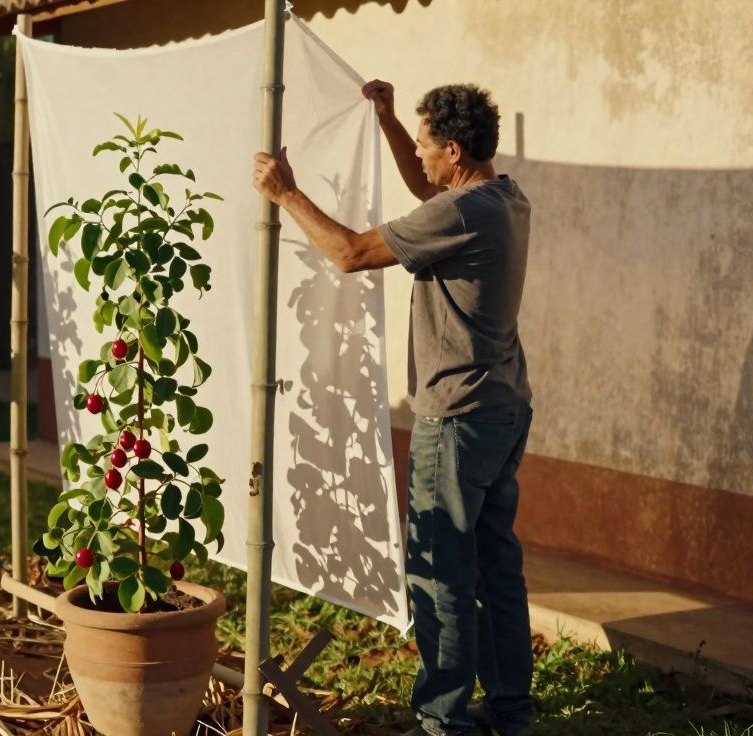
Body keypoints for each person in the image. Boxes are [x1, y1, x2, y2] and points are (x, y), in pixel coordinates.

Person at [251, 81, 535, 736]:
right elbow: (430, 193)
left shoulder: (463, 213)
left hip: (458, 418)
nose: (418, 153)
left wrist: (285, 192)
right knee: (496, 568)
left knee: (441, 578)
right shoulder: (501, 198)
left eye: (424, 144)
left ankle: (444, 726)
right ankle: (511, 714)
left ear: (455, 149)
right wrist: (384, 117)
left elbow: (350, 254)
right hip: (504, 409)